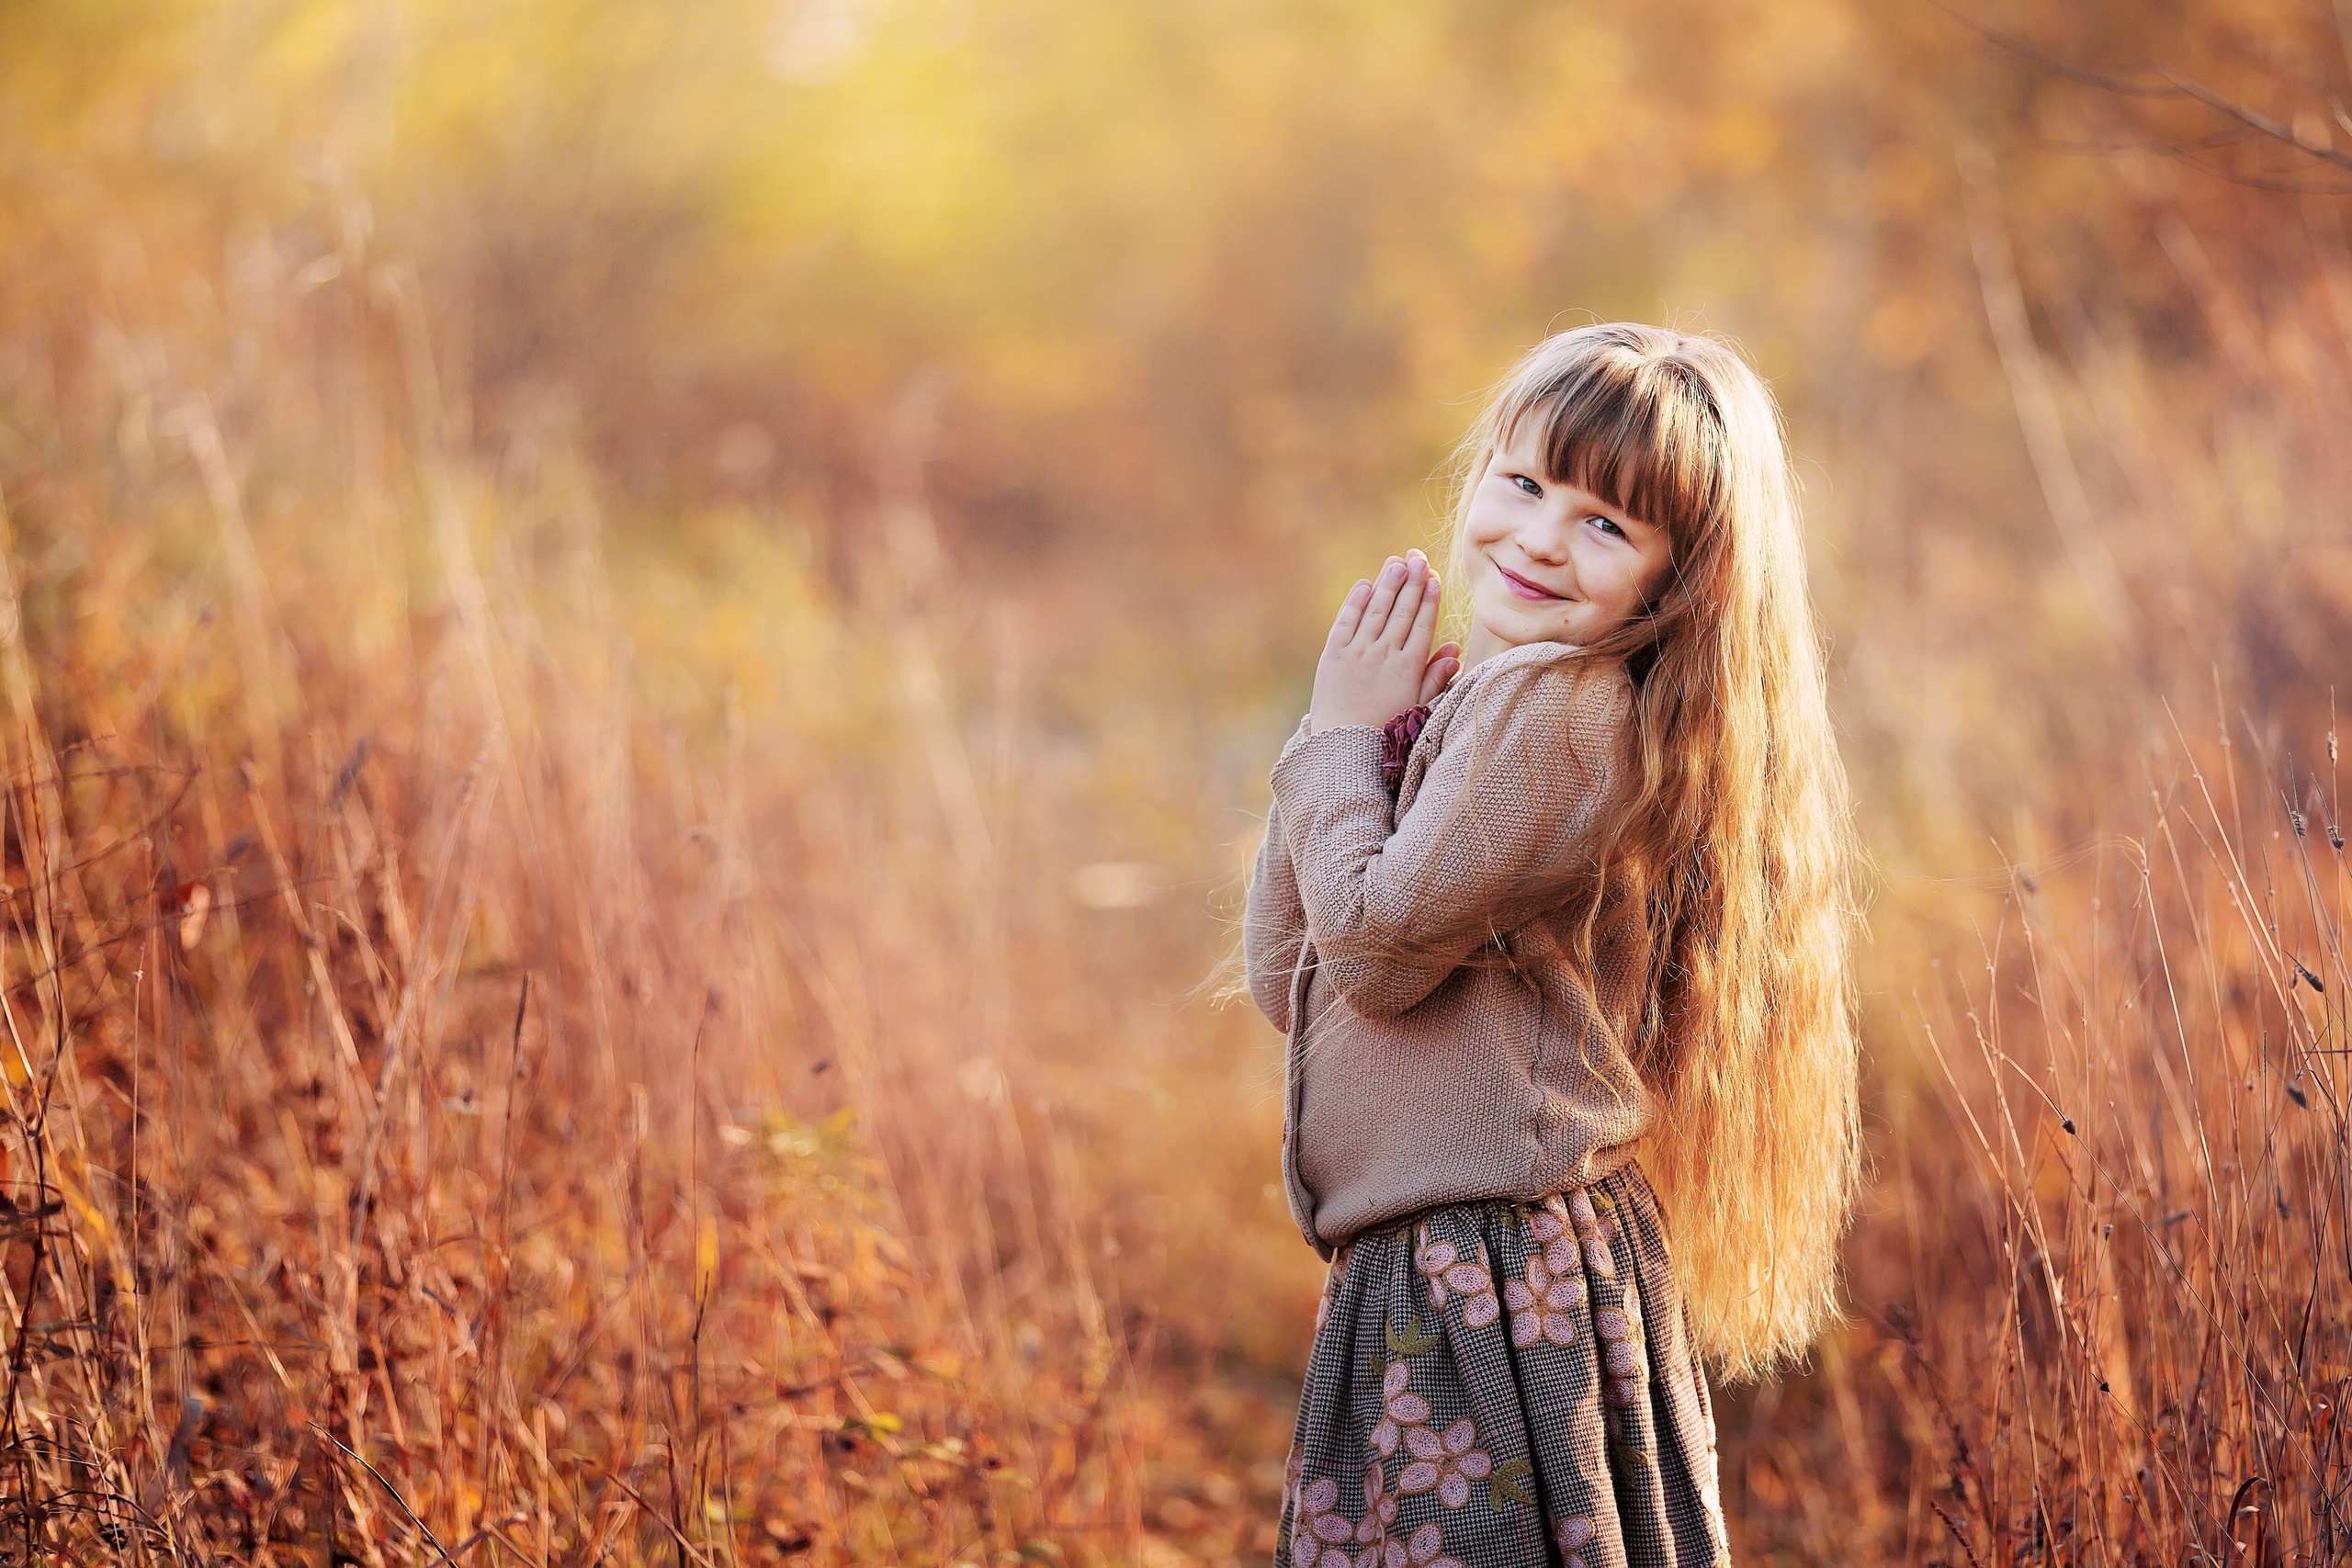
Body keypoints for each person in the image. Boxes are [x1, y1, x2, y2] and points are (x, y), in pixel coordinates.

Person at [1241, 322, 1860, 1568]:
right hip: (1435, 1257)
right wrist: (1357, 740)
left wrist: (1332, 746)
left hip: (1493, 1271)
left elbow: (1366, 951)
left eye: (1605, 524)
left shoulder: (1567, 717)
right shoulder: (1490, 700)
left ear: (1676, 579)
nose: (1537, 537)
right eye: (1523, 484)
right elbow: (1291, 975)